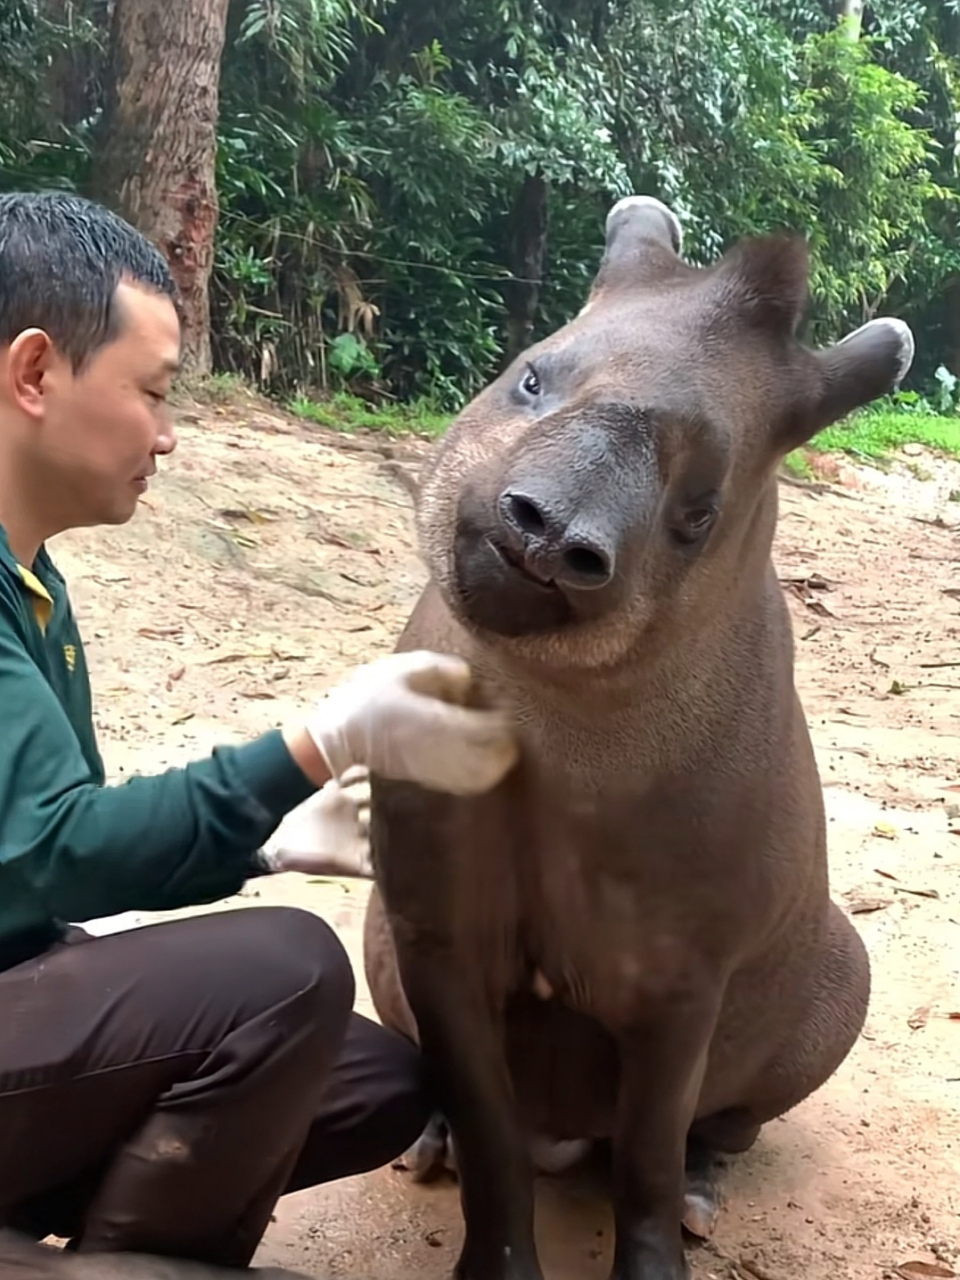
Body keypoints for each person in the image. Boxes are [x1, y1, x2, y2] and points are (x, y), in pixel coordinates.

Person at [0, 191, 518, 1268]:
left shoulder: (33, 583)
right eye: (151, 390)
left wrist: (263, 840)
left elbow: (37, 860)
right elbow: (54, 846)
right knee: (286, 968)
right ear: (36, 373)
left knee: (371, 1079)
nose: (171, 433)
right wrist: (313, 745)